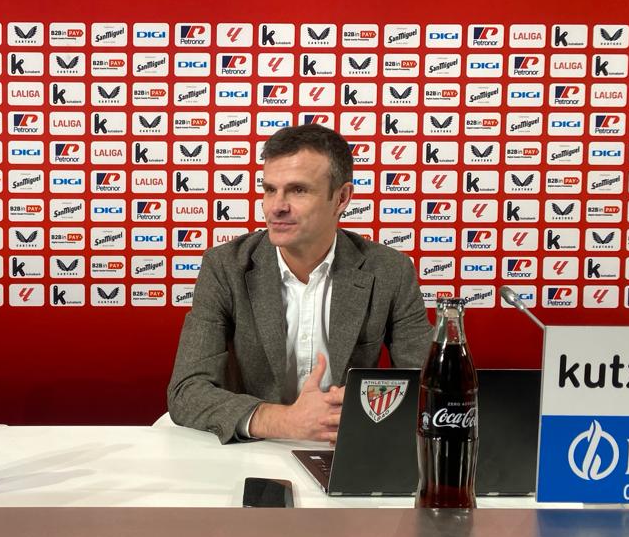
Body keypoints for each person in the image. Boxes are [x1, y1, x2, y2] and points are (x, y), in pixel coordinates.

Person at [167, 124, 431, 443]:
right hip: (255, 445)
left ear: (342, 198)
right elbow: (187, 391)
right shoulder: (225, 266)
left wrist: (366, 409)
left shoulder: (390, 270)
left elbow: (431, 385)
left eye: (298, 190)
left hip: (346, 445)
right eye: (269, 189)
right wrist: (283, 421)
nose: (276, 206)